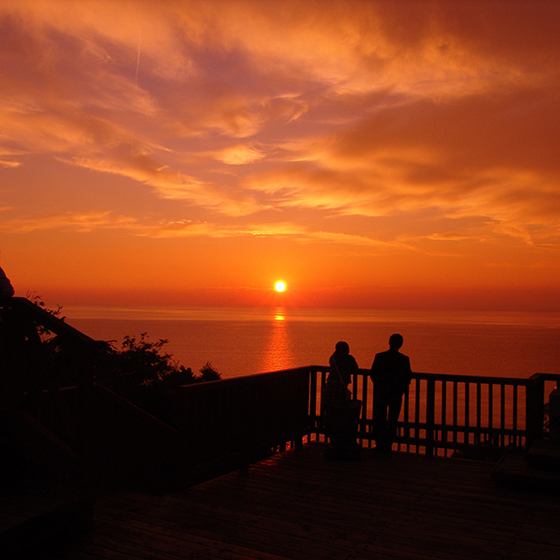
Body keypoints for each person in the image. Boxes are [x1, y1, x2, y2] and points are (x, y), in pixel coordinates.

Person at [370, 333, 412, 452]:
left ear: (389, 342)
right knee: (392, 419)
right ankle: (388, 444)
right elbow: (407, 377)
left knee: (379, 418)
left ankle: (379, 443)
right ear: (401, 344)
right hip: (395, 394)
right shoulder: (404, 359)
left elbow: (373, 374)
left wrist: (380, 386)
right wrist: (400, 390)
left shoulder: (380, 357)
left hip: (381, 393)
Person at [322, 341, 361, 458]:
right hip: (340, 387)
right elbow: (355, 369)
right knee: (341, 413)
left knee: (330, 412)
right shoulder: (349, 359)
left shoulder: (332, 358)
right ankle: (341, 440)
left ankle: (332, 439)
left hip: (329, 386)